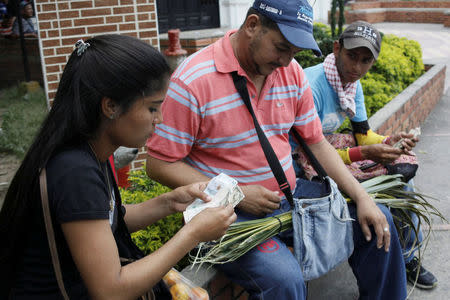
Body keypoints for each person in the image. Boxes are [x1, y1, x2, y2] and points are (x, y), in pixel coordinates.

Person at [145, 0, 407, 299]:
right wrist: (238, 192)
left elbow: (316, 142)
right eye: (281, 48)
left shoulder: (291, 72)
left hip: (288, 197)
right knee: (284, 279)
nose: (286, 61)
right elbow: (159, 164)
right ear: (253, 25)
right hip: (227, 217)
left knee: (378, 221)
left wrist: (361, 197)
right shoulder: (193, 80)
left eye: (294, 53)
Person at [0, 34, 236, 299]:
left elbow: (107, 219)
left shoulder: (91, 152)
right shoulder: (74, 172)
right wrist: (193, 233)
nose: (160, 119)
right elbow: (111, 290)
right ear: (110, 106)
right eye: (152, 109)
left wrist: (169, 202)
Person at [291, 21, 437, 290]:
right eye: (351, 56)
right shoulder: (313, 87)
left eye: (366, 60)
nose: (356, 67)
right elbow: (311, 151)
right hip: (302, 166)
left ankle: (407, 256)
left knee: (403, 181)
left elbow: (363, 134)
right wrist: (366, 152)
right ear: (337, 49)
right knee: (371, 207)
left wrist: (390, 141)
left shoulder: (351, 85)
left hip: (328, 155)